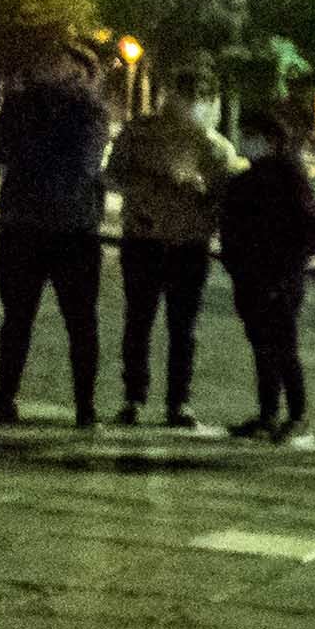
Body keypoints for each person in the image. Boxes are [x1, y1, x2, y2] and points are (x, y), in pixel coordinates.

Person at [0, 55, 110, 428]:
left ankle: (86, 407)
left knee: (80, 322)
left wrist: (30, 148)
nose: (43, 64)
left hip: (72, 229)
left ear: (77, 69)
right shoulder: (21, 103)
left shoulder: (89, 110)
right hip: (26, 224)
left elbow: (83, 164)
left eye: (55, 60)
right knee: (17, 318)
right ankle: (5, 396)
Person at [107, 97, 235, 432]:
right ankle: (133, 397)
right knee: (138, 322)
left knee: (184, 329)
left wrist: (201, 191)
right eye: (186, 92)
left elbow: (224, 200)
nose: (192, 102)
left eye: (200, 96)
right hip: (144, 239)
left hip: (188, 244)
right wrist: (149, 184)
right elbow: (113, 174)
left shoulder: (216, 146)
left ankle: (179, 402)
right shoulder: (140, 134)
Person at [215, 108, 315, 445]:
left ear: (271, 141)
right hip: (251, 277)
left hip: (278, 278)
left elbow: (303, 231)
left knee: (283, 347)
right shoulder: (247, 178)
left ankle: (296, 415)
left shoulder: (289, 178)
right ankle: (268, 413)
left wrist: (284, 274)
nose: (245, 142)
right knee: (262, 347)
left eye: (252, 135)